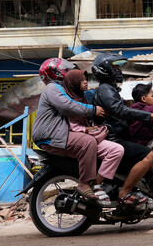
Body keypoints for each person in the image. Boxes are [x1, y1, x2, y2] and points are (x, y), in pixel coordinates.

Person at [31, 58, 111, 206]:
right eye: (64, 68)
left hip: (58, 134)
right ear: (56, 72)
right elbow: (67, 106)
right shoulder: (52, 88)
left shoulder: (63, 88)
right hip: (50, 134)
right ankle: (84, 184)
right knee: (87, 142)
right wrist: (93, 110)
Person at [91, 54, 153, 207]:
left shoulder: (110, 90)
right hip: (112, 139)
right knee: (148, 155)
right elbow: (120, 110)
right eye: (115, 67)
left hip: (117, 137)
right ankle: (125, 193)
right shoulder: (105, 89)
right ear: (106, 70)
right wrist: (148, 115)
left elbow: (122, 111)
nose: (118, 71)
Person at [62, 69, 124, 206]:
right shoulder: (67, 102)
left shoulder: (83, 97)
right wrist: (85, 129)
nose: (86, 82)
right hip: (79, 139)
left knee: (117, 150)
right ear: (74, 83)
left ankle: (97, 184)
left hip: (91, 137)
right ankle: (88, 184)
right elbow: (70, 126)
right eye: (82, 80)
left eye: (86, 79)